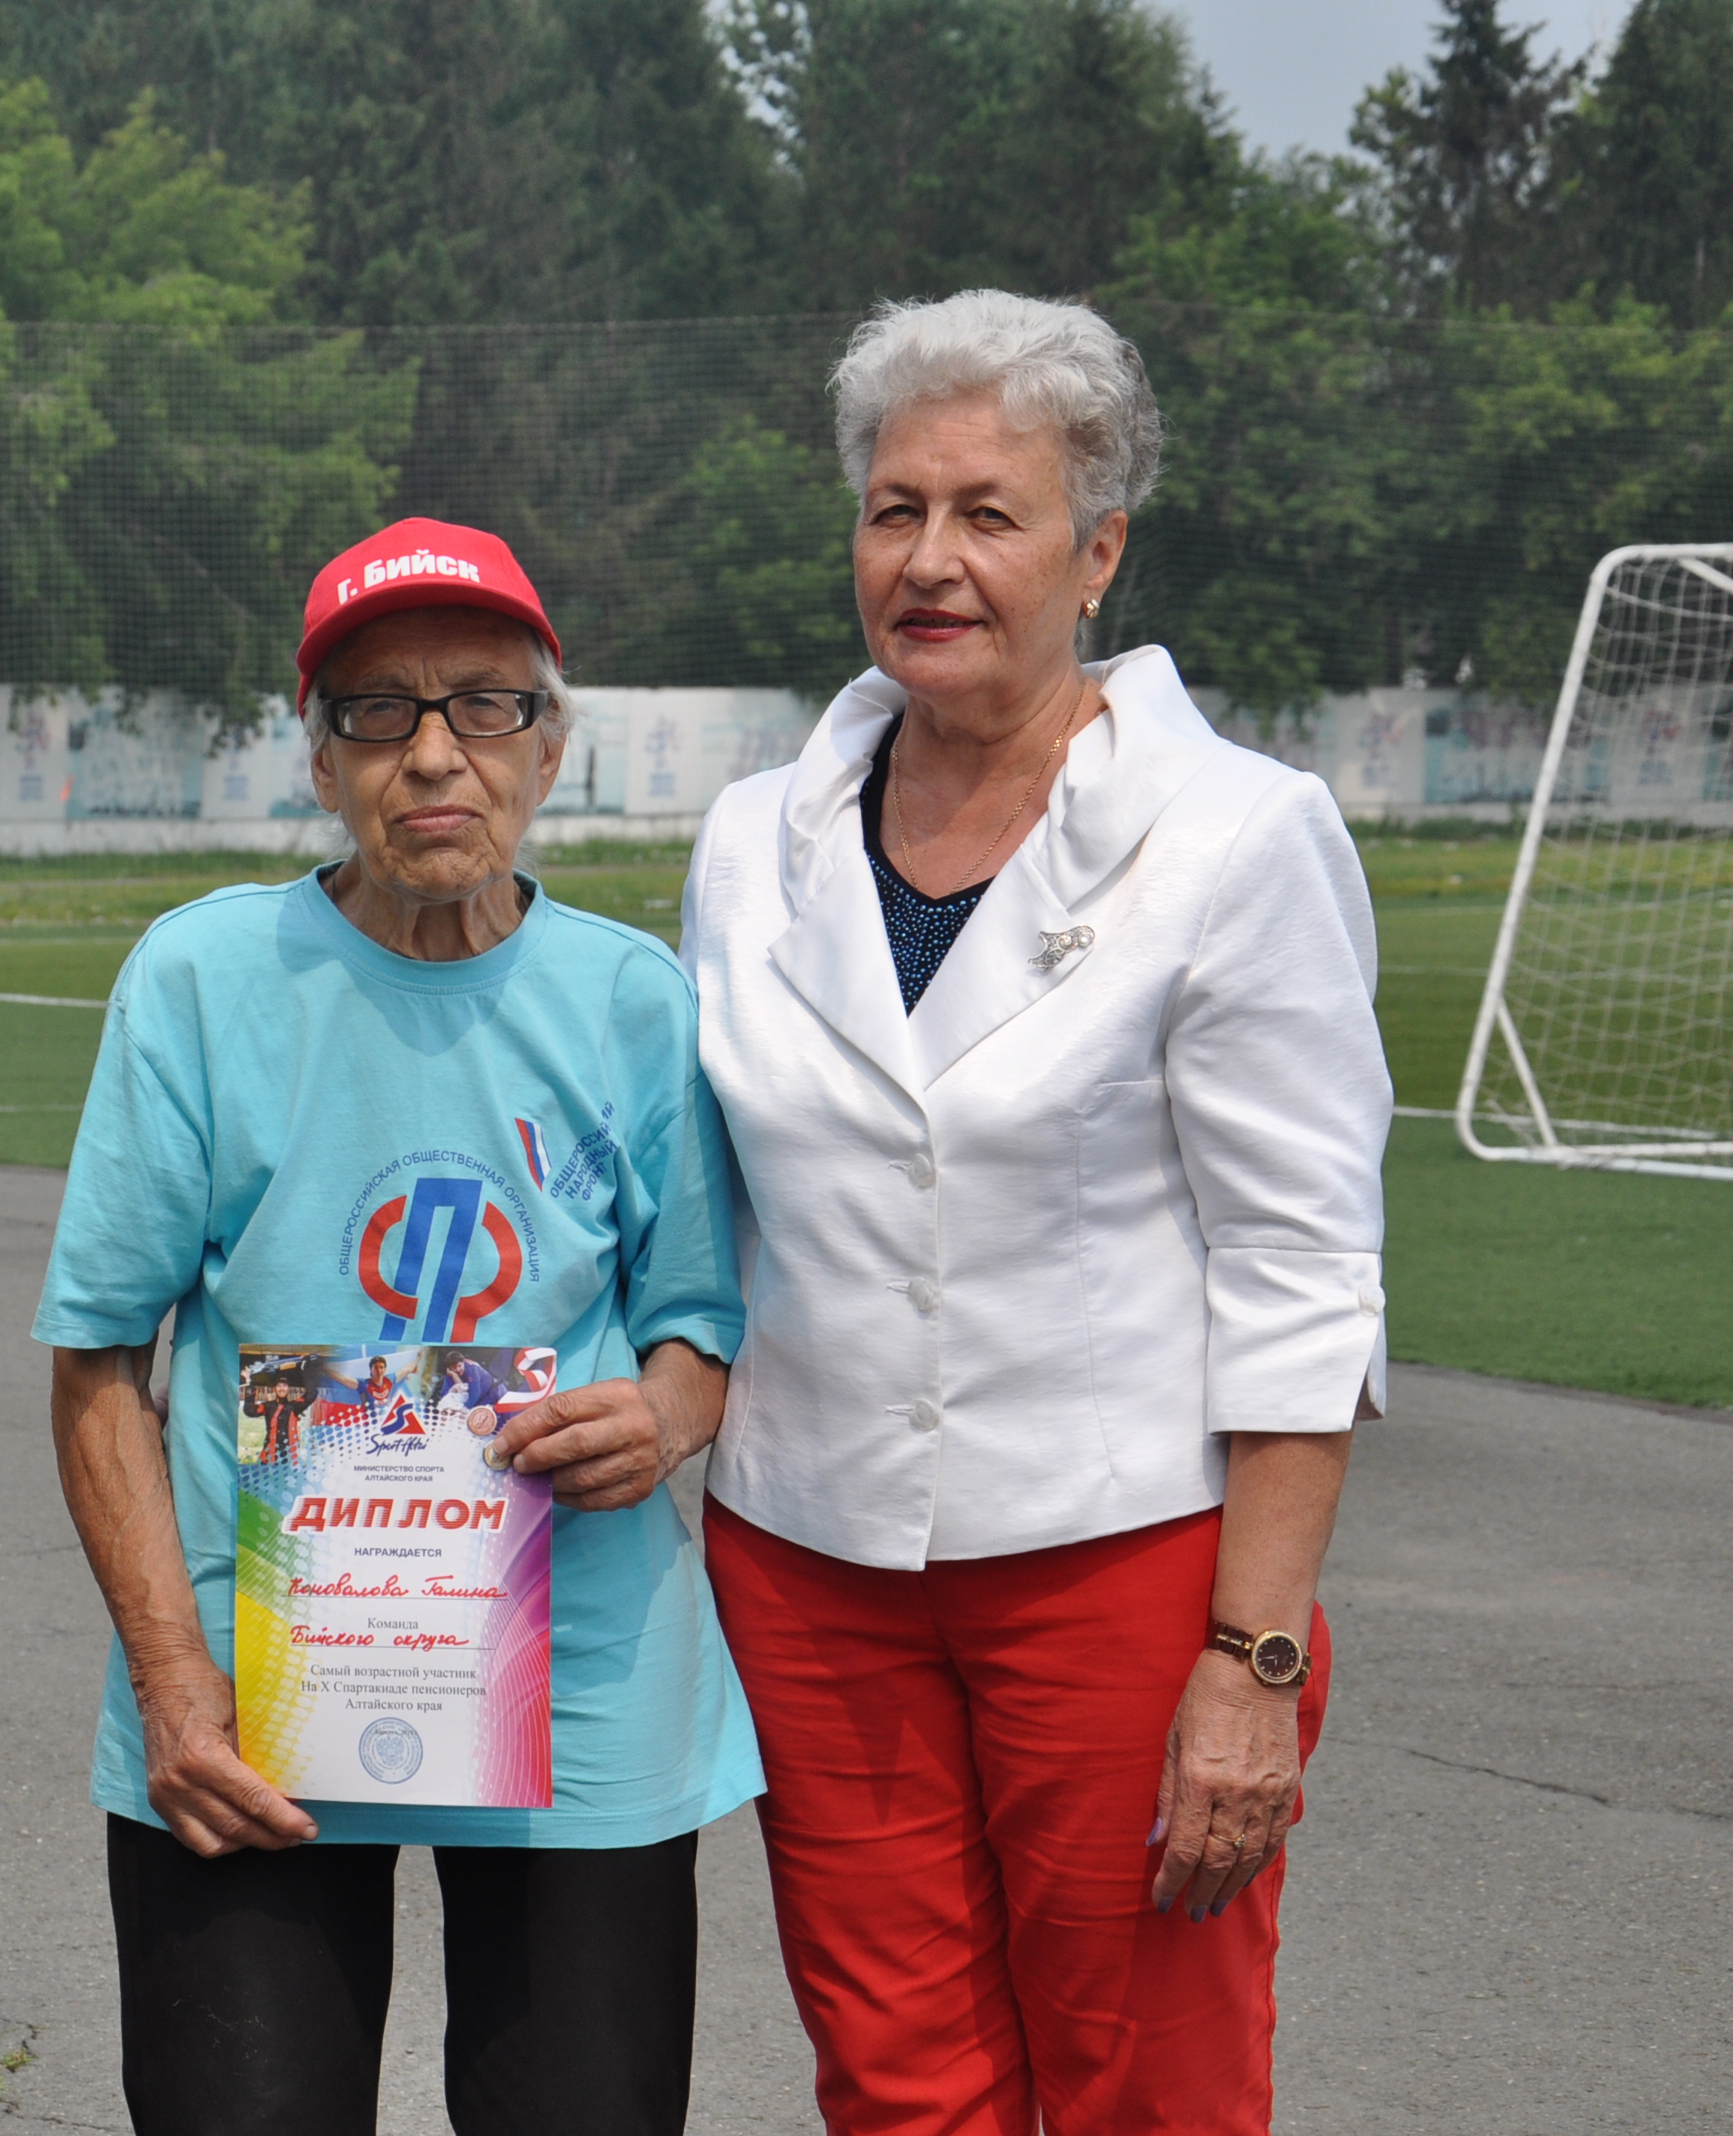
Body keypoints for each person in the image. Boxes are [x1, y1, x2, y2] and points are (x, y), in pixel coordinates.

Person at [679, 290, 1390, 2133]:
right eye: (892, 508)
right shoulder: (750, 838)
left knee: (1146, 2082)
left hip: (1124, 1573)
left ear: (1100, 550)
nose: (930, 560)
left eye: (987, 513)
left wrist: (1255, 1659)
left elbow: (1305, 1273)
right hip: (812, 1566)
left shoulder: (1240, 834)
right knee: (897, 2083)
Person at [36, 517, 760, 2136]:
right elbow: (99, 1364)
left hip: (576, 1684)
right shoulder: (203, 981)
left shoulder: (636, 1000)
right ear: (319, 757)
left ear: (550, 744)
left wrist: (660, 1415)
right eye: (379, 710)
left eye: (484, 705)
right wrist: (171, 1680)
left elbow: (699, 1324)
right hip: (252, 1700)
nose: (434, 754)